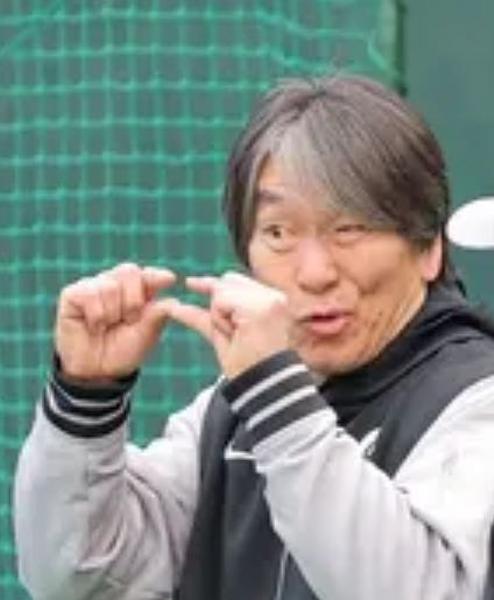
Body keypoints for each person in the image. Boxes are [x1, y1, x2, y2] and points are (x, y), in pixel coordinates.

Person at [14, 74, 494, 600]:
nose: (314, 273)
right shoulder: (230, 412)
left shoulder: (475, 399)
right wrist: (85, 400)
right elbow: (75, 577)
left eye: (350, 229)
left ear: (429, 250)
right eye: (278, 233)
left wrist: (276, 402)